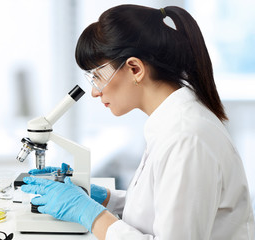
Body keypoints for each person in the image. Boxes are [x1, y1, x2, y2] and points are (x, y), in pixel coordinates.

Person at [21, 4, 255, 239]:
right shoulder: (172, 123)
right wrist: (105, 199)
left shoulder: (186, 137)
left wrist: (90, 214)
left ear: (135, 68)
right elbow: (159, 210)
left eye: (97, 76)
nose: (94, 92)